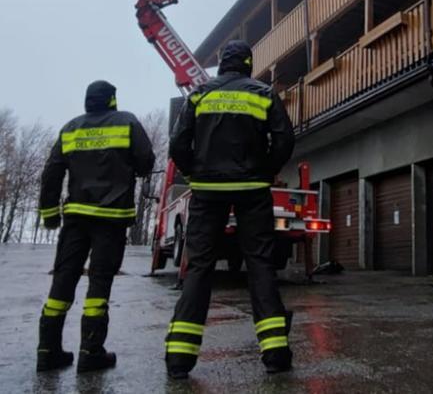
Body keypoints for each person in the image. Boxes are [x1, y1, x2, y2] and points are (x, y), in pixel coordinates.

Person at [164, 40, 295, 379]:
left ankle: (179, 358)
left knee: (200, 267)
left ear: (222, 64)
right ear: (249, 64)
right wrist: (265, 171)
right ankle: (276, 354)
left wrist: (195, 171)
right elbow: (284, 139)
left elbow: (178, 142)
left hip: (207, 191)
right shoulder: (263, 93)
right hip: (253, 190)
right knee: (260, 265)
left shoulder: (199, 94)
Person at [37, 80, 155, 372]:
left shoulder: (71, 127)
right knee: (100, 282)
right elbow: (145, 163)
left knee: (63, 279)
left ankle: (47, 351)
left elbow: (51, 172)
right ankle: (91, 352)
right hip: (111, 219)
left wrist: (50, 214)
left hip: (76, 218)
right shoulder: (127, 122)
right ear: (112, 100)